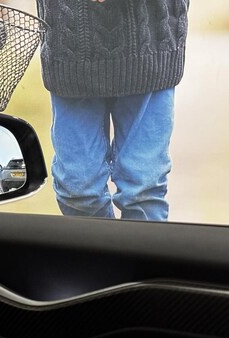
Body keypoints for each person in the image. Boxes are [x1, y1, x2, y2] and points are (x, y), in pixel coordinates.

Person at [35, 0, 190, 220]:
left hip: (151, 43)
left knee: (142, 191)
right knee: (78, 191)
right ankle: (102, 244)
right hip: (69, 48)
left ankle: (139, 244)